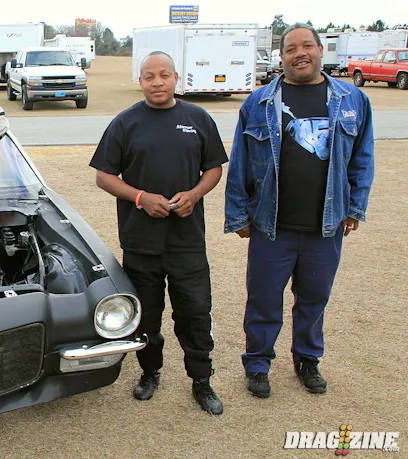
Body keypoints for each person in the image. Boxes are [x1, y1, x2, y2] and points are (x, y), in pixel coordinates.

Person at [224, 23, 374, 399]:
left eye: (307, 46)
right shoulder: (258, 102)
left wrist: (355, 207)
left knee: (314, 298)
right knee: (263, 300)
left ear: (321, 51)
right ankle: (258, 363)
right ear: (282, 57)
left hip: (325, 226)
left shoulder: (353, 100)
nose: (299, 53)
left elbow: (362, 158)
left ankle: (307, 359)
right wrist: (239, 215)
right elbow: (240, 161)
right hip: (270, 225)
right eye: (291, 48)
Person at [89, 51, 228, 415]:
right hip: (141, 244)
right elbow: (104, 176)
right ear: (140, 81)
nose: (157, 82)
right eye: (149, 76)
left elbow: (214, 168)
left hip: (187, 242)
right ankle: (150, 372)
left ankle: (201, 380)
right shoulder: (125, 123)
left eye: (164, 75)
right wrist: (140, 197)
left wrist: (195, 194)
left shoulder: (198, 118)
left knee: (195, 314)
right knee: (147, 316)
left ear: (176, 78)